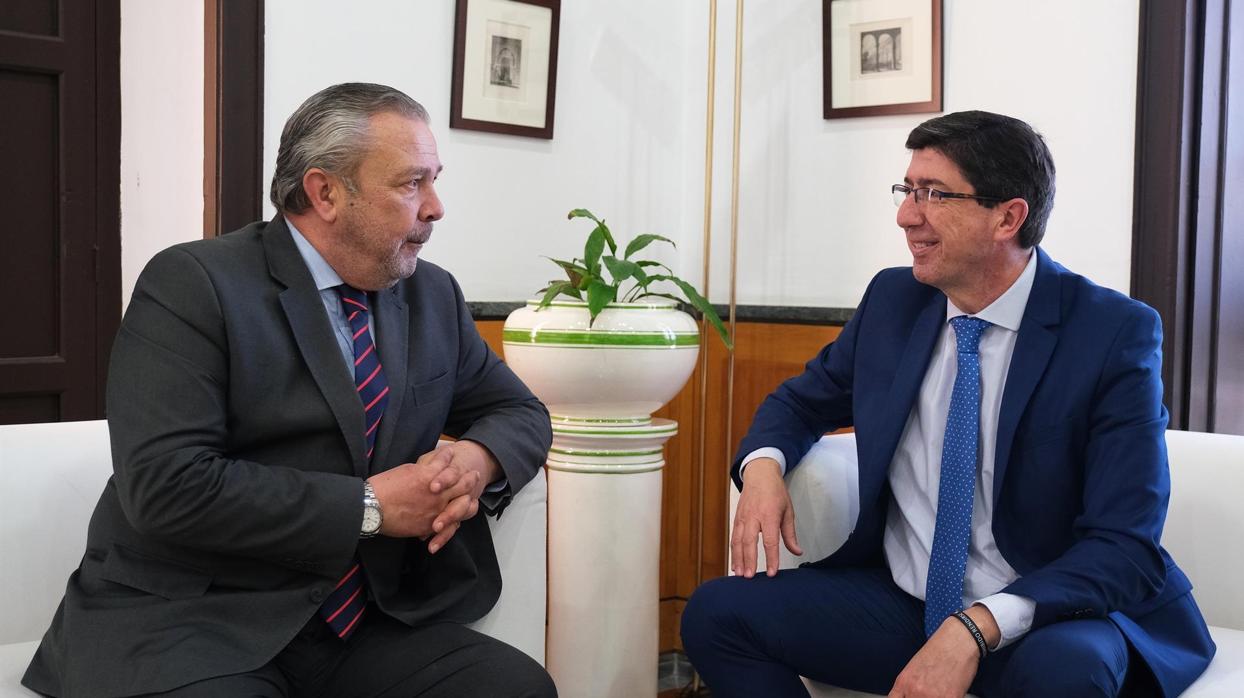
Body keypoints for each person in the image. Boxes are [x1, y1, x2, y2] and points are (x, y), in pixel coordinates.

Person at [23, 83, 556, 697]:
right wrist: (370, 508)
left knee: (517, 688)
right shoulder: (194, 284)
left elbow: (517, 409)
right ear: (325, 191)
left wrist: (475, 459)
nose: (435, 207)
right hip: (197, 621)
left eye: (434, 180)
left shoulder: (431, 295)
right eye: (412, 183)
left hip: (366, 622)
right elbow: (165, 485)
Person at [681, 111, 1215, 697]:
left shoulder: (1112, 332)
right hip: (906, 604)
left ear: (1007, 217)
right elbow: (801, 402)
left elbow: (1124, 545)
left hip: (1048, 614)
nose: (907, 215)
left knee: (1066, 674)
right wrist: (762, 469)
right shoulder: (894, 301)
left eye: (934, 194)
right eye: (907, 190)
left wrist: (976, 628)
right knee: (718, 614)